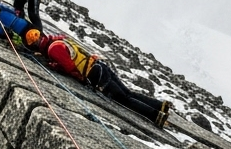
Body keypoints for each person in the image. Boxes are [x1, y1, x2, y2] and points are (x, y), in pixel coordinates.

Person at [33, 33, 170, 128]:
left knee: (124, 99)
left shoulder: (52, 49)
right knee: (128, 93)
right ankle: (159, 106)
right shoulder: (60, 40)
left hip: (93, 74)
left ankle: (155, 116)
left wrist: (55, 66)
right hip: (99, 65)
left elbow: (69, 67)